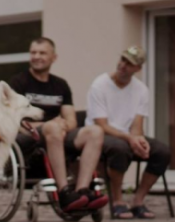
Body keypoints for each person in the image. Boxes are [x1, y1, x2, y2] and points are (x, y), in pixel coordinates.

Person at [11, 37, 108, 212]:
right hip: (30, 135)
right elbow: (14, 119)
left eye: (42, 53)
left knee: (95, 131)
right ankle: (64, 193)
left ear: (53, 57)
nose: (36, 56)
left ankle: (82, 191)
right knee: (53, 127)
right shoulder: (19, 82)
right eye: (33, 52)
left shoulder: (60, 85)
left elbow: (70, 119)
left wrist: (63, 125)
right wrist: (51, 124)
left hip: (57, 133)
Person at [86, 46, 171, 219]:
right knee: (120, 149)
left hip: (127, 135)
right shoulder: (99, 85)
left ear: (137, 69)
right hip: (101, 135)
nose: (123, 65)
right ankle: (117, 201)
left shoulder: (141, 89)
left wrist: (139, 140)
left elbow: (137, 123)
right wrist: (130, 139)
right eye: (123, 59)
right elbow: (101, 124)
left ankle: (138, 201)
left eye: (129, 63)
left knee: (162, 151)